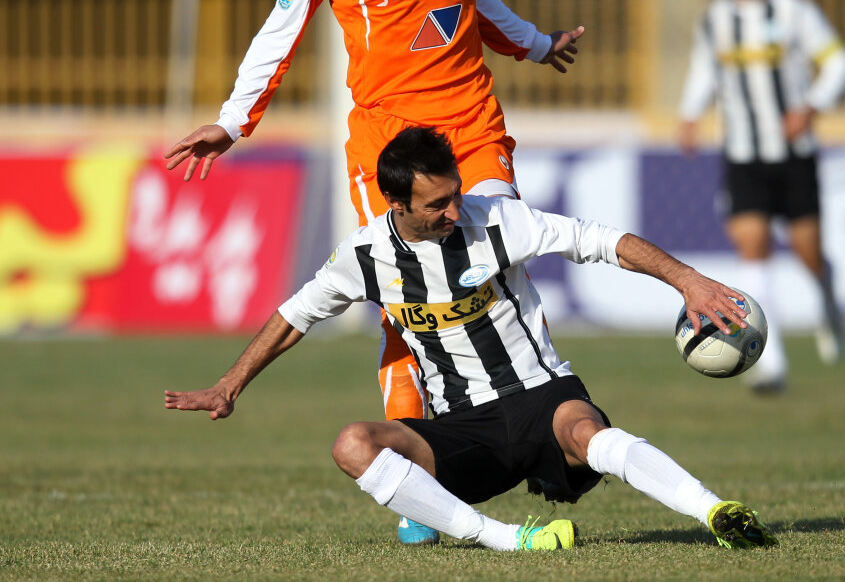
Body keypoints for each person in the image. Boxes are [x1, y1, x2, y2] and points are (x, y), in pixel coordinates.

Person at [162, 0, 584, 543]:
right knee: (404, 300)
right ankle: (419, 481)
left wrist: (531, 42)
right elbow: (281, 27)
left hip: (472, 126)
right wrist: (234, 120)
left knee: (501, 265)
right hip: (388, 146)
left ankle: (542, 434)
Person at [164, 126, 778, 553]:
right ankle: (509, 540)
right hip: (463, 428)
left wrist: (688, 281)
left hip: (541, 395)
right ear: (396, 203)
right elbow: (293, 316)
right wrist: (229, 385)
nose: (455, 211)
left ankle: (714, 511)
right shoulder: (364, 257)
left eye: (456, 194)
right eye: (437, 204)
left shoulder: (496, 219)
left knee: (585, 432)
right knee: (352, 444)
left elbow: (600, 240)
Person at [678, 0, 845, 382]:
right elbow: (704, 69)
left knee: (807, 252)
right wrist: (690, 113)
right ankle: (769, 363)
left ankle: (828, 298)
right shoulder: (715, 18)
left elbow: (839, 61)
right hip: (743, 154)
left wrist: (811, 106)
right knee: (753, 247)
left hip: (794, 154)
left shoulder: (795, 10)